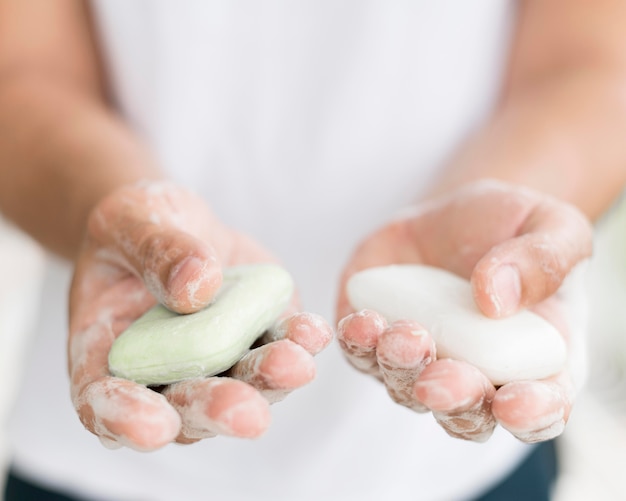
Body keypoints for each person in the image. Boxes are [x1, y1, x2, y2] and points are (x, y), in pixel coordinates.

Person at [0, 1, 625, 500]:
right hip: (99, 465)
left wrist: (511, 209)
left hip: (454, 469)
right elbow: (19, 72)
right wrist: (118, 210)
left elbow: (593, 61)